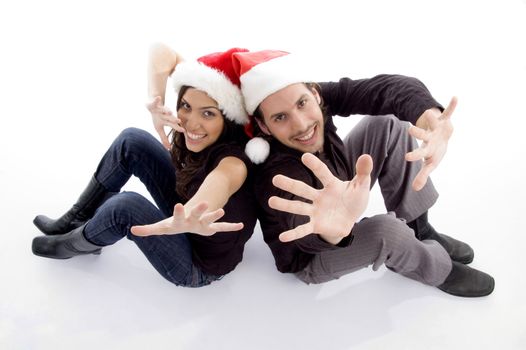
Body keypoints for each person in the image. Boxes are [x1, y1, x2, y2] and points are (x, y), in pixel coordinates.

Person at [231, 50, 494, 297]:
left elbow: (384, 89)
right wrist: (332, 231)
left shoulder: (318, 100)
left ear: (315, 94)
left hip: (341, 191)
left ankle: (420, 229)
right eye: (280, 118)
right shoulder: (276, 175)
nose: (301, 124)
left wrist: (430, 118)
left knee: (390, 124)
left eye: (302, 103)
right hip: (313, 252)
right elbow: (303, 233)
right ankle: (437, 269)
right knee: (387, 232)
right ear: (263, 126)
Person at [31, 44, 257, 288]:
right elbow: (162, 51)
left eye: (208, 114)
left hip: (196, 263)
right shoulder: (204, 115)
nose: (191, 123)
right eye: (186, 106)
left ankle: (73, 245)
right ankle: (76, 218)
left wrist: (192, 215)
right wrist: (155, 105)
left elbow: (219, 184)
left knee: (125, 206)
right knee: (132, 140)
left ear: (228, 117)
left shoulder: (234, 162)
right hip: (182, 216)